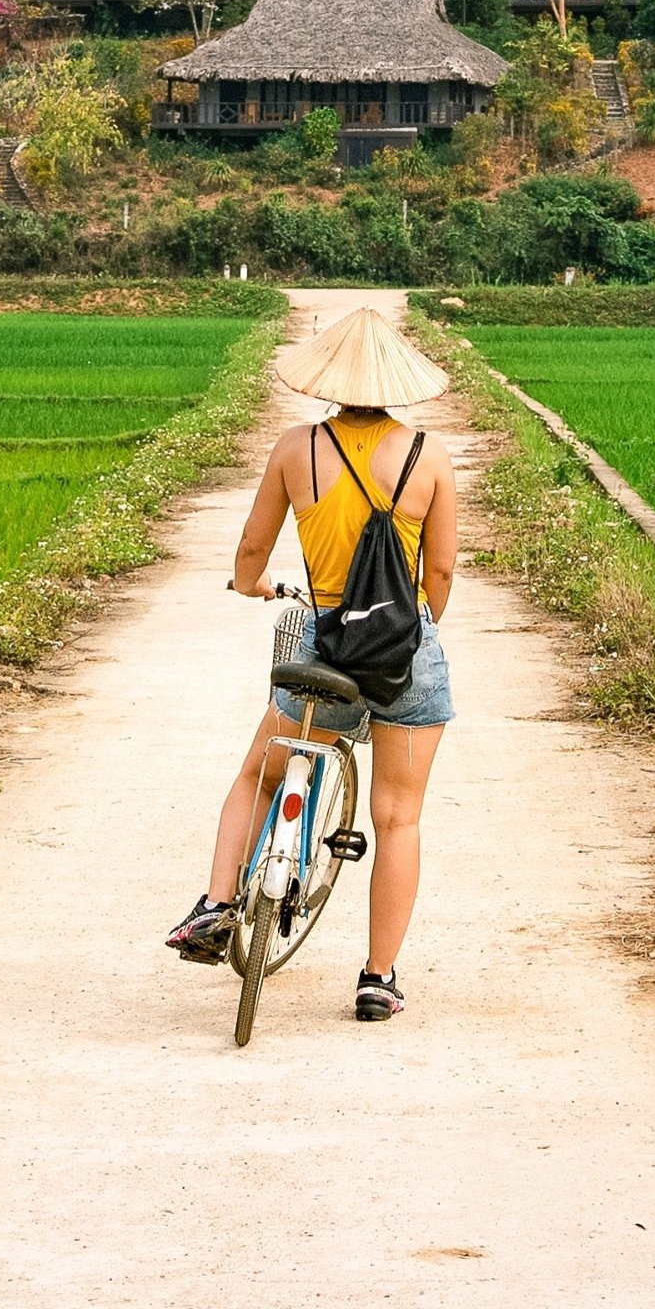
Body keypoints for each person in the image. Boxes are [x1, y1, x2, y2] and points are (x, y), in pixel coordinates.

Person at [165, 306, 457, 1022]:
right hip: (404, 652)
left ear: (327, 382)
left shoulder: (298, 449)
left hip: (325, 645)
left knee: (261, 776)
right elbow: (441, 571)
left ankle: (217, 903)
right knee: (397, 818)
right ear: (397, 386)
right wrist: (414, 628)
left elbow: (249, 560)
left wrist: (255, 587)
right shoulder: (429, 455)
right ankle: (377, 979)